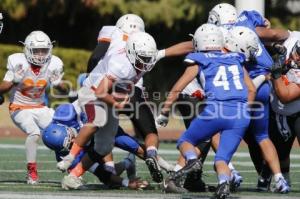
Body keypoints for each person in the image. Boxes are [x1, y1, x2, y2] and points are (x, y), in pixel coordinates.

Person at [158, 23, 256, 198]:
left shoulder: (199, 60)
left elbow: (177, 88)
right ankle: (224, 183)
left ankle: (192, 160)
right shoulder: (235, 58)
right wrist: (244, 111)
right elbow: (251, 89)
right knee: (222, 159)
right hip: (241, 114)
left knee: (185, 141)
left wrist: (165, 111)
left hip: (216, 110)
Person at [56, 31, 159, 187]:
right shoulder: (122, 65)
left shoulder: (134, 53)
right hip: (92, 92)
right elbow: (100, 92)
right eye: (143, 58)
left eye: (148, 58)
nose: (145, 62)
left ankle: (73, 176)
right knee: (97, 120)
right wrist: (117, 103)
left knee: (104, 147)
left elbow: (117, 33)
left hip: (107, 99)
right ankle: (70, 157)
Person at [207, 3, 291, 193]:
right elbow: (269, 28)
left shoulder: (219, 35)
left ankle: (231, 171)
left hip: (246, 87)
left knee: (217, 129)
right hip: (267, 84)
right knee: (261, 136)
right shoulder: (246, 19)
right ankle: (279, 179)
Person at [81, 14, 166, 183]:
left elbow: (96, 58)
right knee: (146, 129)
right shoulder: (143, 45)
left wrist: (93, 80)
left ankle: (110, 166)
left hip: (106, 85)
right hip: (132, 88)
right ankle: (151, 154)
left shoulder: (111, 32)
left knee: (103, 130)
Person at [0, 30, 64, 184]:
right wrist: (14, 80)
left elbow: (64, 89)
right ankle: (32, 172)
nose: (40, 54)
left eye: (44, 50)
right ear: (27, 49)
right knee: (34, 133)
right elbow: (2, 89)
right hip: (19, 107)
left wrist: (59, 84)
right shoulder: (18, 62)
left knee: (63, 131)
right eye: (36, 50)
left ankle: (70, 168)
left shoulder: (53, 63)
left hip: (40, 107)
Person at [42, 102, 149, 190]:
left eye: (71, 137)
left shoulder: (66, 113)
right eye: (70, 143)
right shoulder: (65, 158)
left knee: (127, 144)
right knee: (110, 177)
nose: (74, 140)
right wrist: (127, 183)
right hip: (89, 148)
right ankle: (128, 163)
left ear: (65, 127)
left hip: (99, 129)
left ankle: (150, 160)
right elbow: (101, 173)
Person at [255, 35, 300, 191]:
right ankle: (276, 175)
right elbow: (264, 36)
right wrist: (272, 45)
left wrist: (275, 73)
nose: (297, 58)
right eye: (298, 53)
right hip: (279, 111)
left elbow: (285, 95)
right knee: (279, 150)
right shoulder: (292, 41)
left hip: (297, 110)